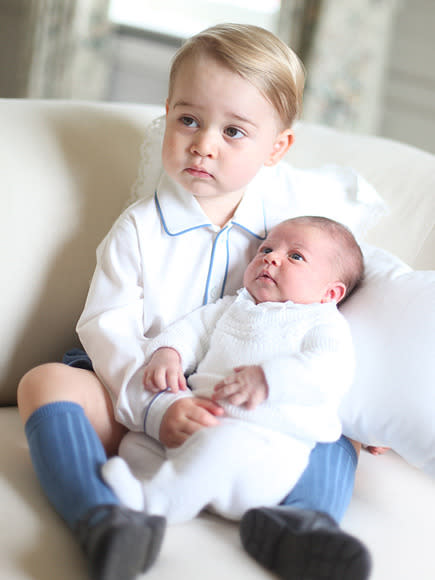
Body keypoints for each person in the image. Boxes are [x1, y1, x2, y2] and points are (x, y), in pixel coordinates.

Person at [17, 23, 372, 580]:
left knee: (336, 433)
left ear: (276, 147)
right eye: (188, 120)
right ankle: (103, 518)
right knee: (45, 383)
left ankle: (303, 528)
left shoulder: (289, 229)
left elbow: (339, 303)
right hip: (136, 389)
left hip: (251, 408)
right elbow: (105, 326)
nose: (203, 144)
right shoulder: (138, 230)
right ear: (167, 115)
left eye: (234, 131)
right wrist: (158, 410)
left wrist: (366, 405)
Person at [101, 215, 363, 547]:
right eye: (266, 248)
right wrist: (168, 353)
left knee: (222, 444)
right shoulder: (232, 306)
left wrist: (269, 379)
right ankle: (177, 484)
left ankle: (154, 503)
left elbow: (329, 370)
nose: (271, 257)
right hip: (198, 429)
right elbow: (191, 330)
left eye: (295, 256)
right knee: (135, 442)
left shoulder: (322, 323)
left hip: (261, 449)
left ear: (330, 293)